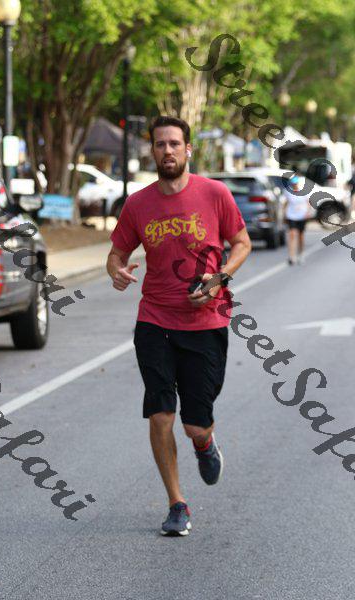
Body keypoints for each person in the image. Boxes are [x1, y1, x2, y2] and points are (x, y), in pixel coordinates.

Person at [106, 116, 251, 536]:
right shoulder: (138, 204)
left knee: (194, 424)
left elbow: (242, 243)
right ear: (152, 151)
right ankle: (177, 503)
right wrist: (116, 271)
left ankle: (204, 442)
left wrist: (219, 278)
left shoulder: (215, 194)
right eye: (159, 144)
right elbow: (116, 255)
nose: (167, 150)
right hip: (154, 320)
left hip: (206, 323)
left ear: (188, 149)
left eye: (174, 143)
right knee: (160, 415)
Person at [283, 175, 311, 265]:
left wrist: (307, 213)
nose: (294, 185)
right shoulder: (288, 192)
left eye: (295, 183)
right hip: (291, 216)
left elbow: (308, 203)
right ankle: (291, 256)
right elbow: (285, 203)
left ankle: (301, 254)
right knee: (292, 235)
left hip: (301, 216)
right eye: (293, 183)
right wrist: (284, 215)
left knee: (301, 236)